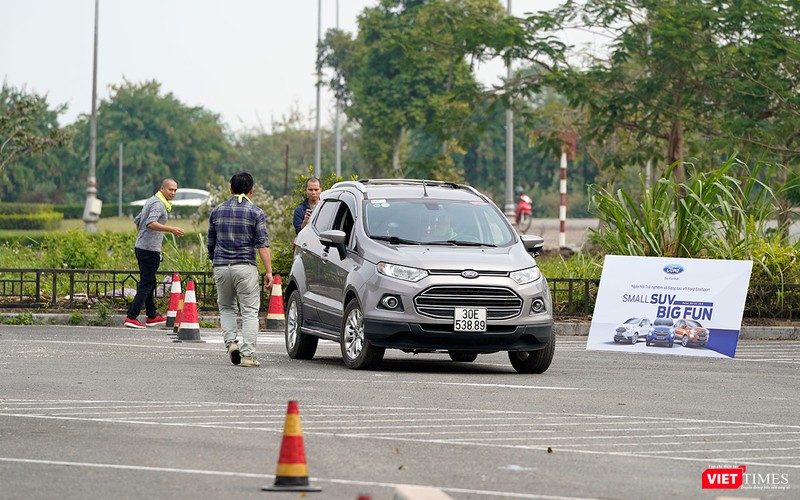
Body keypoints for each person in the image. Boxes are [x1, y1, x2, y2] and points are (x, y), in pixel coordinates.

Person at [207, 172, 274, 367]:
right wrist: (268, 271)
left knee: (227, 308)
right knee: (250, 312)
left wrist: (215, 262)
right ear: (251, 190)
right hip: (245, 266)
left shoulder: (217, 211)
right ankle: (248, 355)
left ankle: (231, 344)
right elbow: (262, 244)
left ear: (230, 189)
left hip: (221, 266)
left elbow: (211, 242)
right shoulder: (255, 212)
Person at [125, 179, 186, 329]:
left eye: (175, 190)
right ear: (162, 188)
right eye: (170, 189)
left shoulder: (152, 200)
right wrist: (171, 229)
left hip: (143, 247)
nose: (173, 193)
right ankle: (131, 316)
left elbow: (138, 220)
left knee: (150, 282)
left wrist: (143, 237)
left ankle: (152, 316)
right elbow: (150, 223)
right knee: (146, 284)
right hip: (148, 250)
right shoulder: (159, 204)